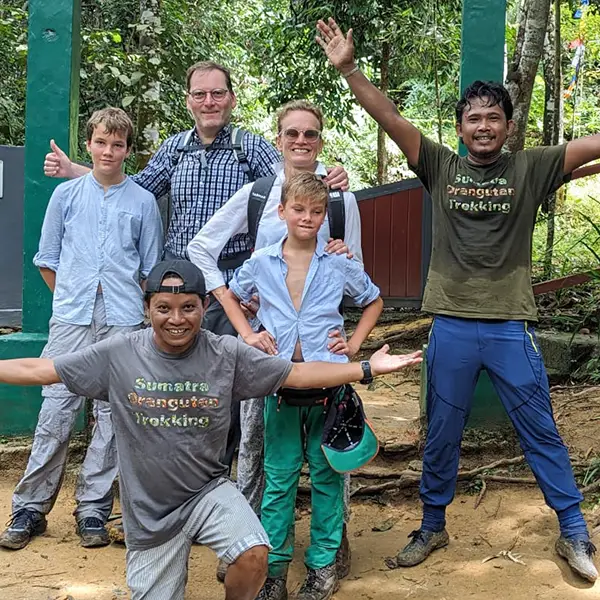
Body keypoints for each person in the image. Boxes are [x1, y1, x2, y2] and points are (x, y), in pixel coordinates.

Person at [316, 17, 600, 582]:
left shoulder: (532, 166)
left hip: (508, 327)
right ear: (461, 127)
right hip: (450, 325)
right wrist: (349, 69)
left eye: (494, 117)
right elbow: (390, 117)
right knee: (442, 431)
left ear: (508, 125)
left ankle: (573, 531)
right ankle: (432, 524)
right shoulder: (440, 165)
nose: (484, 126)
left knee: (538, 427)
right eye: (475, 118)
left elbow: (593, 143)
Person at [0, 259, 422, 600]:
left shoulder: (226, 353)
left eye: (188, 307)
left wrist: (364, 368)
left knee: (254, 552)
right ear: (147, 308)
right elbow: (43, 368)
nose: (176, 319)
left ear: (204, 306)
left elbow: (295, 374)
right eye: (164, 308)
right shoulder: (119, 353)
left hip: (207, 491)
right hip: (149, 516)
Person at [43, 61, 349, 473]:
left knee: (227, 386)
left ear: (231, 99)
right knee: (171, 385)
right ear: (188, 100)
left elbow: (294, 190)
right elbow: (130, 188)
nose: (209, 101)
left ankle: (220, 480)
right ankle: (170, 478)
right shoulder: (174, 149)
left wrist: (332, 179)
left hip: (234, 289)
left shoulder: (251, 147)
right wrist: (75, 171)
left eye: (217, 93)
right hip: (179, 288)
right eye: (200, 94)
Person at [187, 99, 361, 579]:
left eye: (310, 134)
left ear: (320, 141)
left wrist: (340, 268)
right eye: (292, 134)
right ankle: (247, 546)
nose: (301, 142)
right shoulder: (258, 195)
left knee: (331, 450)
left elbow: (355, 277)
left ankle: (333, 544)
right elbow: (201, 249)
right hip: (265, 349)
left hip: (323, 352)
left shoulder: (341, 200)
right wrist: (246, 319)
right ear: (278, 138)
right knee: (257, 450)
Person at [0, 108, 163, 551]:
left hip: (124, 317)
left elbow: (149, 269)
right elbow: (47, 259)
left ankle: (93, 508)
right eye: (101, 142)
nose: (108, 151)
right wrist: (73, 299)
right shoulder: (67, 195)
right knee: (56, 408)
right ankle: (30, 507)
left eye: (117, 144)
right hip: (71, 318)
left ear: (128, 150)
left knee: (112, 414)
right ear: (89, 145)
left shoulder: (143, 202)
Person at [220, 172, 383, 600]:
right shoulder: (261, 262)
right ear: (282, 212)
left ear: (324, 216)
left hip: (329, 385)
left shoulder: (337, 263)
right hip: (280, 387)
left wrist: (353, 344)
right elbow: (233, 298)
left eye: (316, 211)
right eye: (298, 209)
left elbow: (374, 299)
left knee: (328, 477)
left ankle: (323, 566)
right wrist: (249, 334)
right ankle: (274, 571)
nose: (307, 218)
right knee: (279, 479)